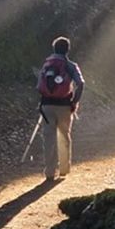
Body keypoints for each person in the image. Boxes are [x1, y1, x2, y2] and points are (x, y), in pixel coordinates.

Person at [36, 36, 84, 181]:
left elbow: (39, 87)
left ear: (54, 48)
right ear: (68, 49)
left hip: (47, 105)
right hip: (64, 105)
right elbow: (80, 84)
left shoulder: (46, 65)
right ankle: (63, 168)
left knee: (48, 137)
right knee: (64, 135)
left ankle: (49, 172)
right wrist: (74, 101)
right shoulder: (71, 66)